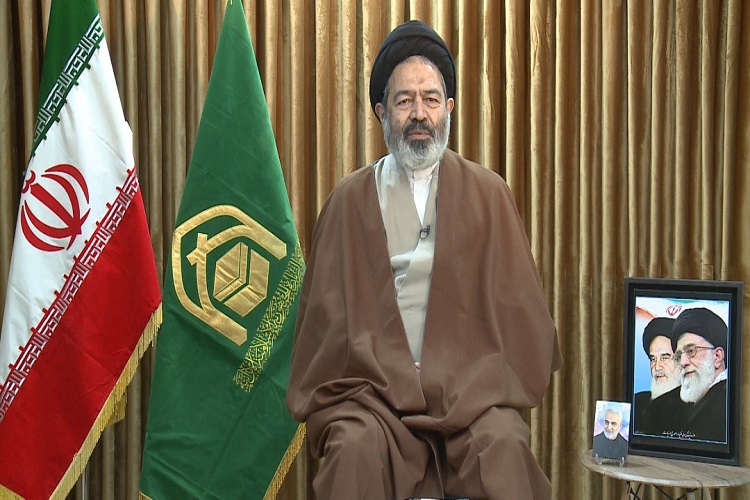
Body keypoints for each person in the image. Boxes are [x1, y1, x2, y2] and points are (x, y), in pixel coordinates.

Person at [286, 19, 562, 500]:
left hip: (469, 399)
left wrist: (451, 371)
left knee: (504, 448)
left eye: (431, 99)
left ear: (449, 108)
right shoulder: (348, 202)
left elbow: (523, 322)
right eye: (404, 101)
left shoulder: (489, 195)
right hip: (371, 399)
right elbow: (323, 332)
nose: (420, 114)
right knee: (352, 450)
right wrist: (392, 369)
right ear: (381, 112)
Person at [671, 307, 729, 442]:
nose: (683, 362)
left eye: (691, 351)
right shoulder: (706, 402)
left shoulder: (723, 405)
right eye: (678, 356)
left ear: (717, 356)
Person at [632, 317, 686, 436]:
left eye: (665, 358)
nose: (657, 367)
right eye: (653, 359)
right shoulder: (637, 403)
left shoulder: (696, 408)